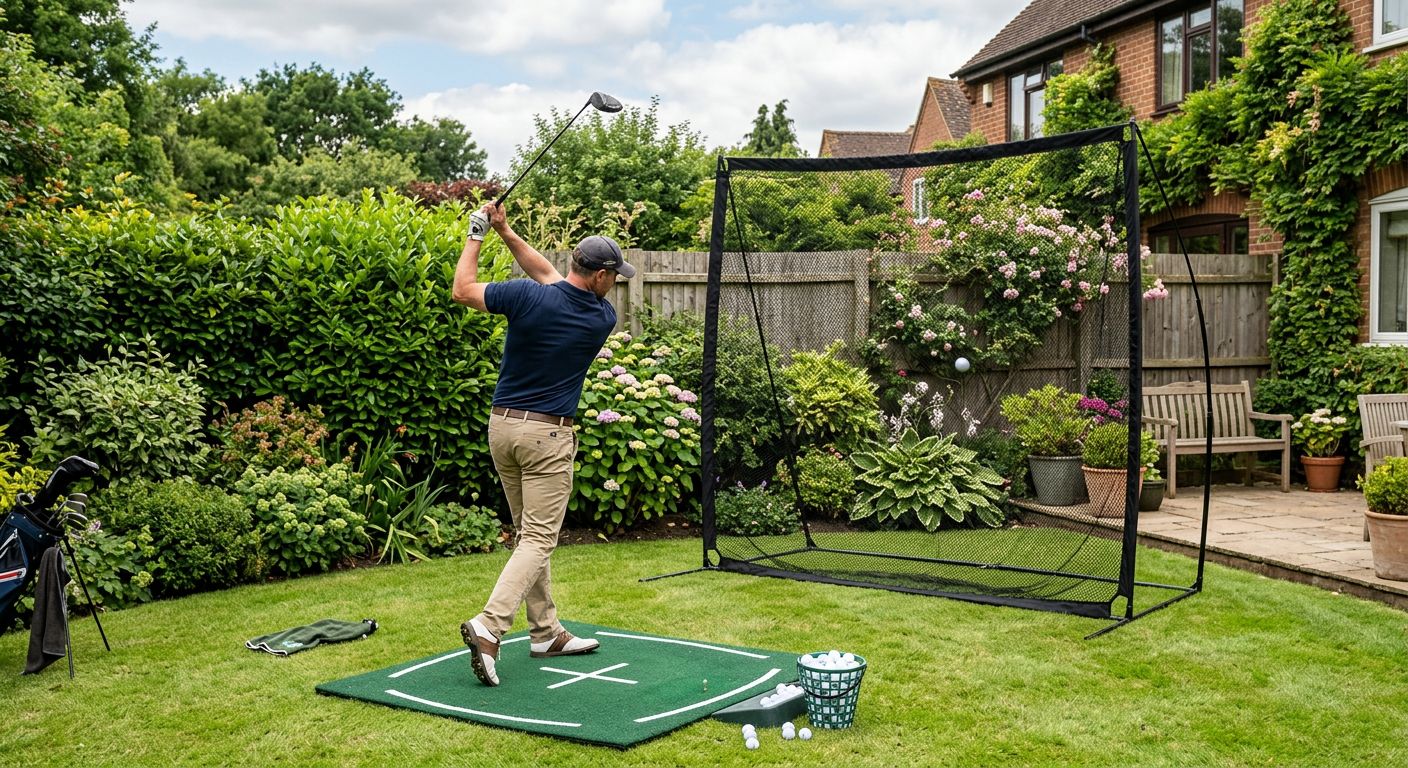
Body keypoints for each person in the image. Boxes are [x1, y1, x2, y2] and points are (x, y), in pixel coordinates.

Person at [450, 201, 635, 687]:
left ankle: (546, 632)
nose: (615, 283)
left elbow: (463, 290)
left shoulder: (526, 298)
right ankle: (489, 628)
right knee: (538, 538)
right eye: (614, 275)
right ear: (598, 277)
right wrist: (505, 232)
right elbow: (549, 275)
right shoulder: (600, 316)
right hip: (547, 436)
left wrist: (481, 233)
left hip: (502, 429)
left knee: (527, 534)